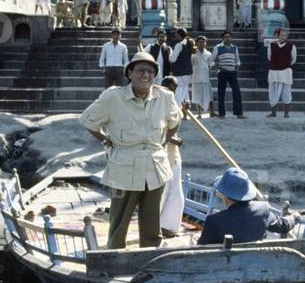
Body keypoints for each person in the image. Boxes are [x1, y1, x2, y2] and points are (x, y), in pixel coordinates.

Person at [79, 51, 182, 249]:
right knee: (119, 220)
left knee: (152, 222)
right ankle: (115, 257)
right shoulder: (113, 97)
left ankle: (150, 257)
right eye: (141, 70)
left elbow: (175, 122)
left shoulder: (165, 96)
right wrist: (105, 140)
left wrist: (163, 142)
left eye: (151, 71)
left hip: (155, 168)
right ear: (130, 73)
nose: (146, 75)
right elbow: (88, 121)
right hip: (123, 168)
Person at [198, 168, 297, 245]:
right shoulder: (263, 210)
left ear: (225, 195)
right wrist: (294, 217)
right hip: (255, 266)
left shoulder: (214, 221)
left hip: (226, 269)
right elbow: (284, 225)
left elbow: (201, 251)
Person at [158, 76, 185, 239]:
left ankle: (168, 226)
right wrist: (173, 139)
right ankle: (156, 225)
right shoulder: (158, 104)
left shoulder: (171, 103)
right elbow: (158, 130)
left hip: (174, 155)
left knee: (176, 193)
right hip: (162, 155)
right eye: (173, 88)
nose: (174, 91)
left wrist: (184, 112)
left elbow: (175, 123)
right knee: (163, 192)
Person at [267, 28, 296, 118]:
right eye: (281, 35)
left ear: (287, 36)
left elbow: (293, 59)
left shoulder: (291, 46)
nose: (283, 37)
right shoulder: (271, 45)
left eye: (285, 35)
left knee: (286, 93)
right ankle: (273, 112)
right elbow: (269, 57)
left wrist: (284, 65)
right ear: (278, 36)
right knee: (272, 92)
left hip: (285, 72)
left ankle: (286, 113)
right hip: (274, 71)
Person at [214, 31, 244, 118]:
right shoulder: (217, 47)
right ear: (222, 38)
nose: (228, 38)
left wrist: (237, 66)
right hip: (222, 73)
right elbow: (212, 59)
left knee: (237, 92)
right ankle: (221, 114)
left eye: (229, 37)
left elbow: (237, 59)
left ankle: (238, 113)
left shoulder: (235, 47)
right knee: (221, 93)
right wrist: (216, 68)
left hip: (232, 73)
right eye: (226, 37)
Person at [168, 28, 195, 107]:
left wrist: (170, 52)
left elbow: (172, 59)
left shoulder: (179, 45)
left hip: (179, 72)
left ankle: (177, 108)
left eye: (176, 33)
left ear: (179, 35)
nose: (175, 35)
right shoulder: (189, 43)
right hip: (188, 71)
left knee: (179, 91)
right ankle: (186, 109)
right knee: (185, 91)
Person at [190, 35, 214, 117]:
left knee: (209, 95)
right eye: (200, 42)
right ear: (196, 43)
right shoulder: (193, 53)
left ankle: (211, 112)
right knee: (197, 97)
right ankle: (199, 113)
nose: (202, 43)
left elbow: (211, 64)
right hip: (196, 78)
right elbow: (191, 64)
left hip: (205, 78)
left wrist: (207, 68)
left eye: (203, 42)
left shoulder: (208, 53)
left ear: (205, 43)